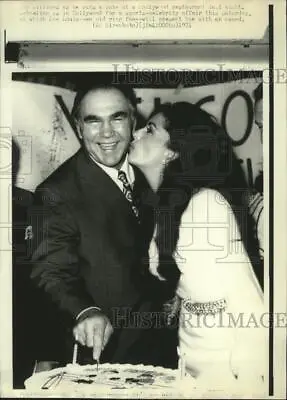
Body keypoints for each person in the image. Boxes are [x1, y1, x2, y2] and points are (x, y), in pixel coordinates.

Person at [30, 83, 176, 368]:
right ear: (79, 127)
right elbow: (50, 270)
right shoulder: (55, 192)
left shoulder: (149, 165)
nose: (107, 132)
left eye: (117, 118)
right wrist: (85, 311)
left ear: (134, 121)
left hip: (162, 348)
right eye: (93, 120)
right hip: (105, 357)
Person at [128, 102, 265, 389]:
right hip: (189, 363)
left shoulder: (206, 205)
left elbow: (248, 298)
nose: (136, 132)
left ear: (173, 151)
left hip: (229, 372)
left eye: (150, 129)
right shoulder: (161, 206)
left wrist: (252, 382)